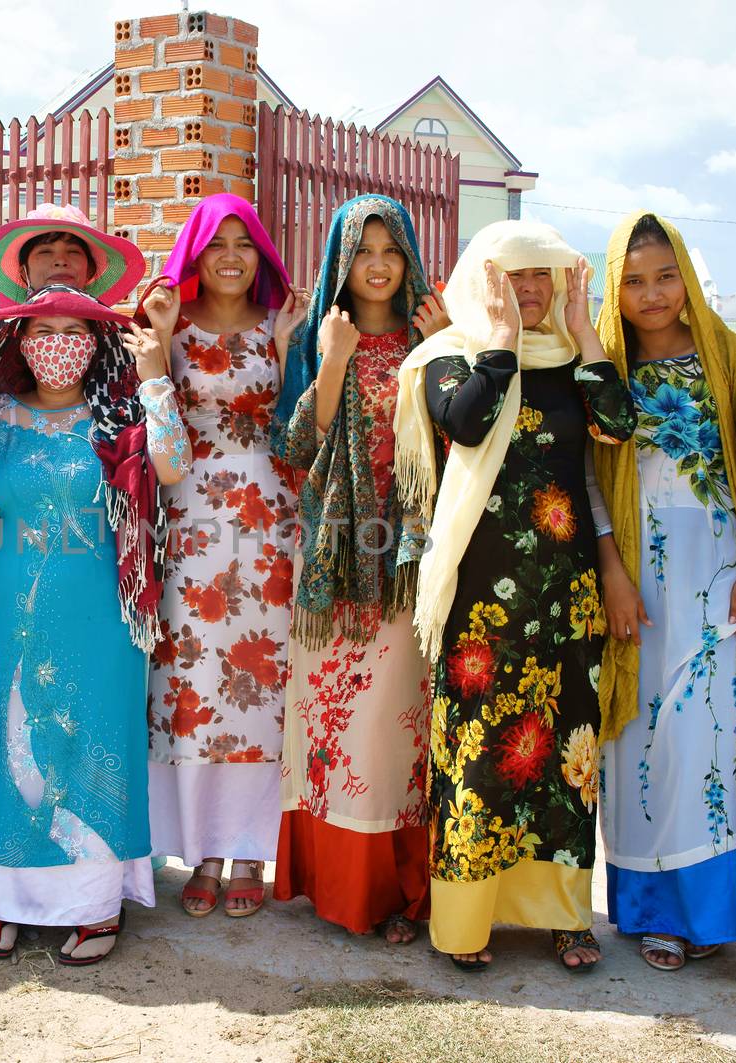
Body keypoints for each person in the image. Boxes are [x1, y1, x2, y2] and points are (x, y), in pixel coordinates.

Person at [393, 221, 634, 972]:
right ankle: (467, 921)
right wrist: (497, 344)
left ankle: (564, 918)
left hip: (566, 599)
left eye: (545, 276)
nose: (530, 291)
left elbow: (619, 424)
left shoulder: (568, 364)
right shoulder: (446, 359)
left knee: (569, 759)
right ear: (482, 277)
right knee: (479, 755)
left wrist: (585, 335)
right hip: (480, 605)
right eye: (514, 276)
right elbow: (465, 422)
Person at [0, 285, 189, 966]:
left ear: (97, 341)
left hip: (107, 612)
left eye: (73, 330)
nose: (58, 343)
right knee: (21, 741)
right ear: (19, 342)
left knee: (94, 741)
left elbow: (173, 464)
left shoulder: (121, 413)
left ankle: (93, 901)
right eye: (42, 329)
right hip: (16, 610)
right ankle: (10, 898)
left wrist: (157, 376)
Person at [273, 195, 448, 945]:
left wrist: (447, 359)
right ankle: (342, 885)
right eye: (362, 252)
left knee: (397, 733)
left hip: (412, 564)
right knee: (341, 734)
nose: (378, 266)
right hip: (334, 570)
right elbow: (292, 446)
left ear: (408, 259)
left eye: (391, 251)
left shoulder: (434, 338)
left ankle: (406, 890)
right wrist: (335, 358)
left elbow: (462, 444)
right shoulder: (322, 336)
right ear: (341, 265)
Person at [589, 212, 736, 971]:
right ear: (614, 289)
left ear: (686, 274)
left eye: (664, 275)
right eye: (633, 280)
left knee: (705, 736)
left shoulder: (734, 358)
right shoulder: (602, 368)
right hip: (635, 577)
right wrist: (613, 573)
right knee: (636, 736)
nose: (651, 293)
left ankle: (704, 911)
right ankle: (646, 907)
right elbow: (589, 479)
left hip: (718, 575)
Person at [138, 193, 308, 918]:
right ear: (196, 256)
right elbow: (153, 422)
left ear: (260, 253)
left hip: (270, 519)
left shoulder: (283, 325)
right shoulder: (169, 330)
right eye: (216, 244)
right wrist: (160, 340)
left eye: (244, 242)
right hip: (188, 521)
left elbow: (303, 420)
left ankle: (250, 847)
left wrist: (294, 346)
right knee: (195, 686)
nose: (232, 256)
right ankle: (202, 847)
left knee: (262, 683)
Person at [0, 155, 145, 313]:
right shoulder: (5, 336)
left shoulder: (115, 338)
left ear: (90, 269)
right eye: (45, 251)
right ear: (24, 271)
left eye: (74, 251)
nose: (61, 260)